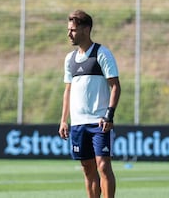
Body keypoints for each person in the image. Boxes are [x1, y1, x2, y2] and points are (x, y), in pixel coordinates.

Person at [58, 10, 121, 198]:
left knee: (103, 165)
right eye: (69, 30)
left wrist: (109, 114)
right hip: (78, 124)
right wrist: (63, 120)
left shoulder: (102, 53)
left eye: (73, 30)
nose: (69, 34)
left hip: (99, 121)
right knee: (87, 168)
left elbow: (115, 87)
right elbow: (68, 90)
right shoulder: (69, 59)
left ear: (86, 30)